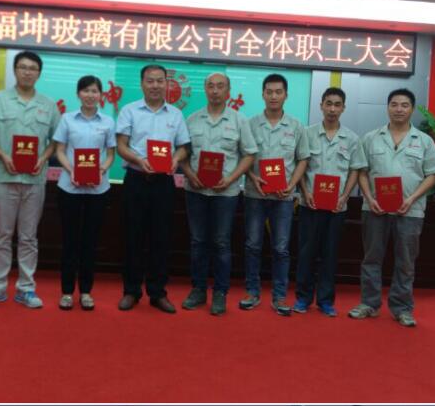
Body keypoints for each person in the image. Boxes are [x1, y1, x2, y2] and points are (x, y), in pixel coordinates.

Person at [349, 88, 435, 327]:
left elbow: (433, 175)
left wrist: (411, 199)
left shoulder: (423, 141)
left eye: (404, 105)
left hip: (410, 211)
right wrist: (369, 198)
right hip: (374, 209)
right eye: (394, 104)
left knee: (406, 262)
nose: (399, 109)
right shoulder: (371, 138)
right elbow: (362, 172)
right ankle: (369, 304)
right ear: (387, 107)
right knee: (371, 259)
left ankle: (402, 308)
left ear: (411, 109)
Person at [0, 50, 60, 309]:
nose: (27, 72)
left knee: (29, 238)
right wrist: (2, 155)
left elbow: (57, 140)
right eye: (22, 67)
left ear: (39, 73)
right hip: (4, 177)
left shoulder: (48, 105)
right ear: (15, 70)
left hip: (34, 180)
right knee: (1, 235)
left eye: (32, 68)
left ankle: (26, 289)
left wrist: (43, 158)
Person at [179, 72, 257, 316]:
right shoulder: (192, 119)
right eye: (211, 86)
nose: (215, 91)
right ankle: (198, 290)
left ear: (228, 91)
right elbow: (181, 153)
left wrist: (231, 178)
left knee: (221, 243)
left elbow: (249, 154)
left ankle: (220, 292)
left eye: (220, 86)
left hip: (226, 193)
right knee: (198, 241)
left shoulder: (239, 120)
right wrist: (190, 174)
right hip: (196, 190)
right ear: (205, 89)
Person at [115, 64, 190, 314]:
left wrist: (176, 159)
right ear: (142, 83)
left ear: (167, 84)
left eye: (160, 81)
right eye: (150, 81)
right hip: (136, 180)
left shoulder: (175, 115)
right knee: (132, 237)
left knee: (161, 238)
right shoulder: (129, 110)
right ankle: (131, 291)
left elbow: (184, 147)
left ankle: (158, 293)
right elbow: (121, 146)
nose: (155, 85)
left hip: (163, 183)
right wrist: (139, 160)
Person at [240, 74, 309, 316]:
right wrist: (252, 176)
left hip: (283, 198)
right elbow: (243, 158)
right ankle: (252, 292)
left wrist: (292, 184)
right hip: (255, 195)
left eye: (278, 92)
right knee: (252, 245)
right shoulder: (250, 124)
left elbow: (303, 159)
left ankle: (279, 296)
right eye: (269, 92)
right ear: (262, 94)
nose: (273, 96)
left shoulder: (296, 126)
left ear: (286, 95)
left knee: (281, 249)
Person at [294, 87, 366, 317]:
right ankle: (303, 298)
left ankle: (325, 300)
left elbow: (355, 170)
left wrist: (345, 196)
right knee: (306, 253)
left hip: (337, 207)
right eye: (329, 104)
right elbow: (301, 166)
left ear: (343, 108)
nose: (332, 109)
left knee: (329, 254)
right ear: (321, 105)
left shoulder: (352, 139)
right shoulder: (307, 134)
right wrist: (305, 192)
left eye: (337, 105)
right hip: (310, 204)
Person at [53, 75, 116, 311]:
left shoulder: (108, 121)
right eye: (86, 91)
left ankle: (87, 291)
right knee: (70, 241)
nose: (90, 95)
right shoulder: (67, 119)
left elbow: (111, 154)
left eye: (95, 91)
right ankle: (67, 292)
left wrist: (101, 169)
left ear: (101, 95)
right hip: (69, 188)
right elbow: (60, 151)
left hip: (98, 189)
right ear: (78, 94)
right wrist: (72, 171)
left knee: (90, 242)